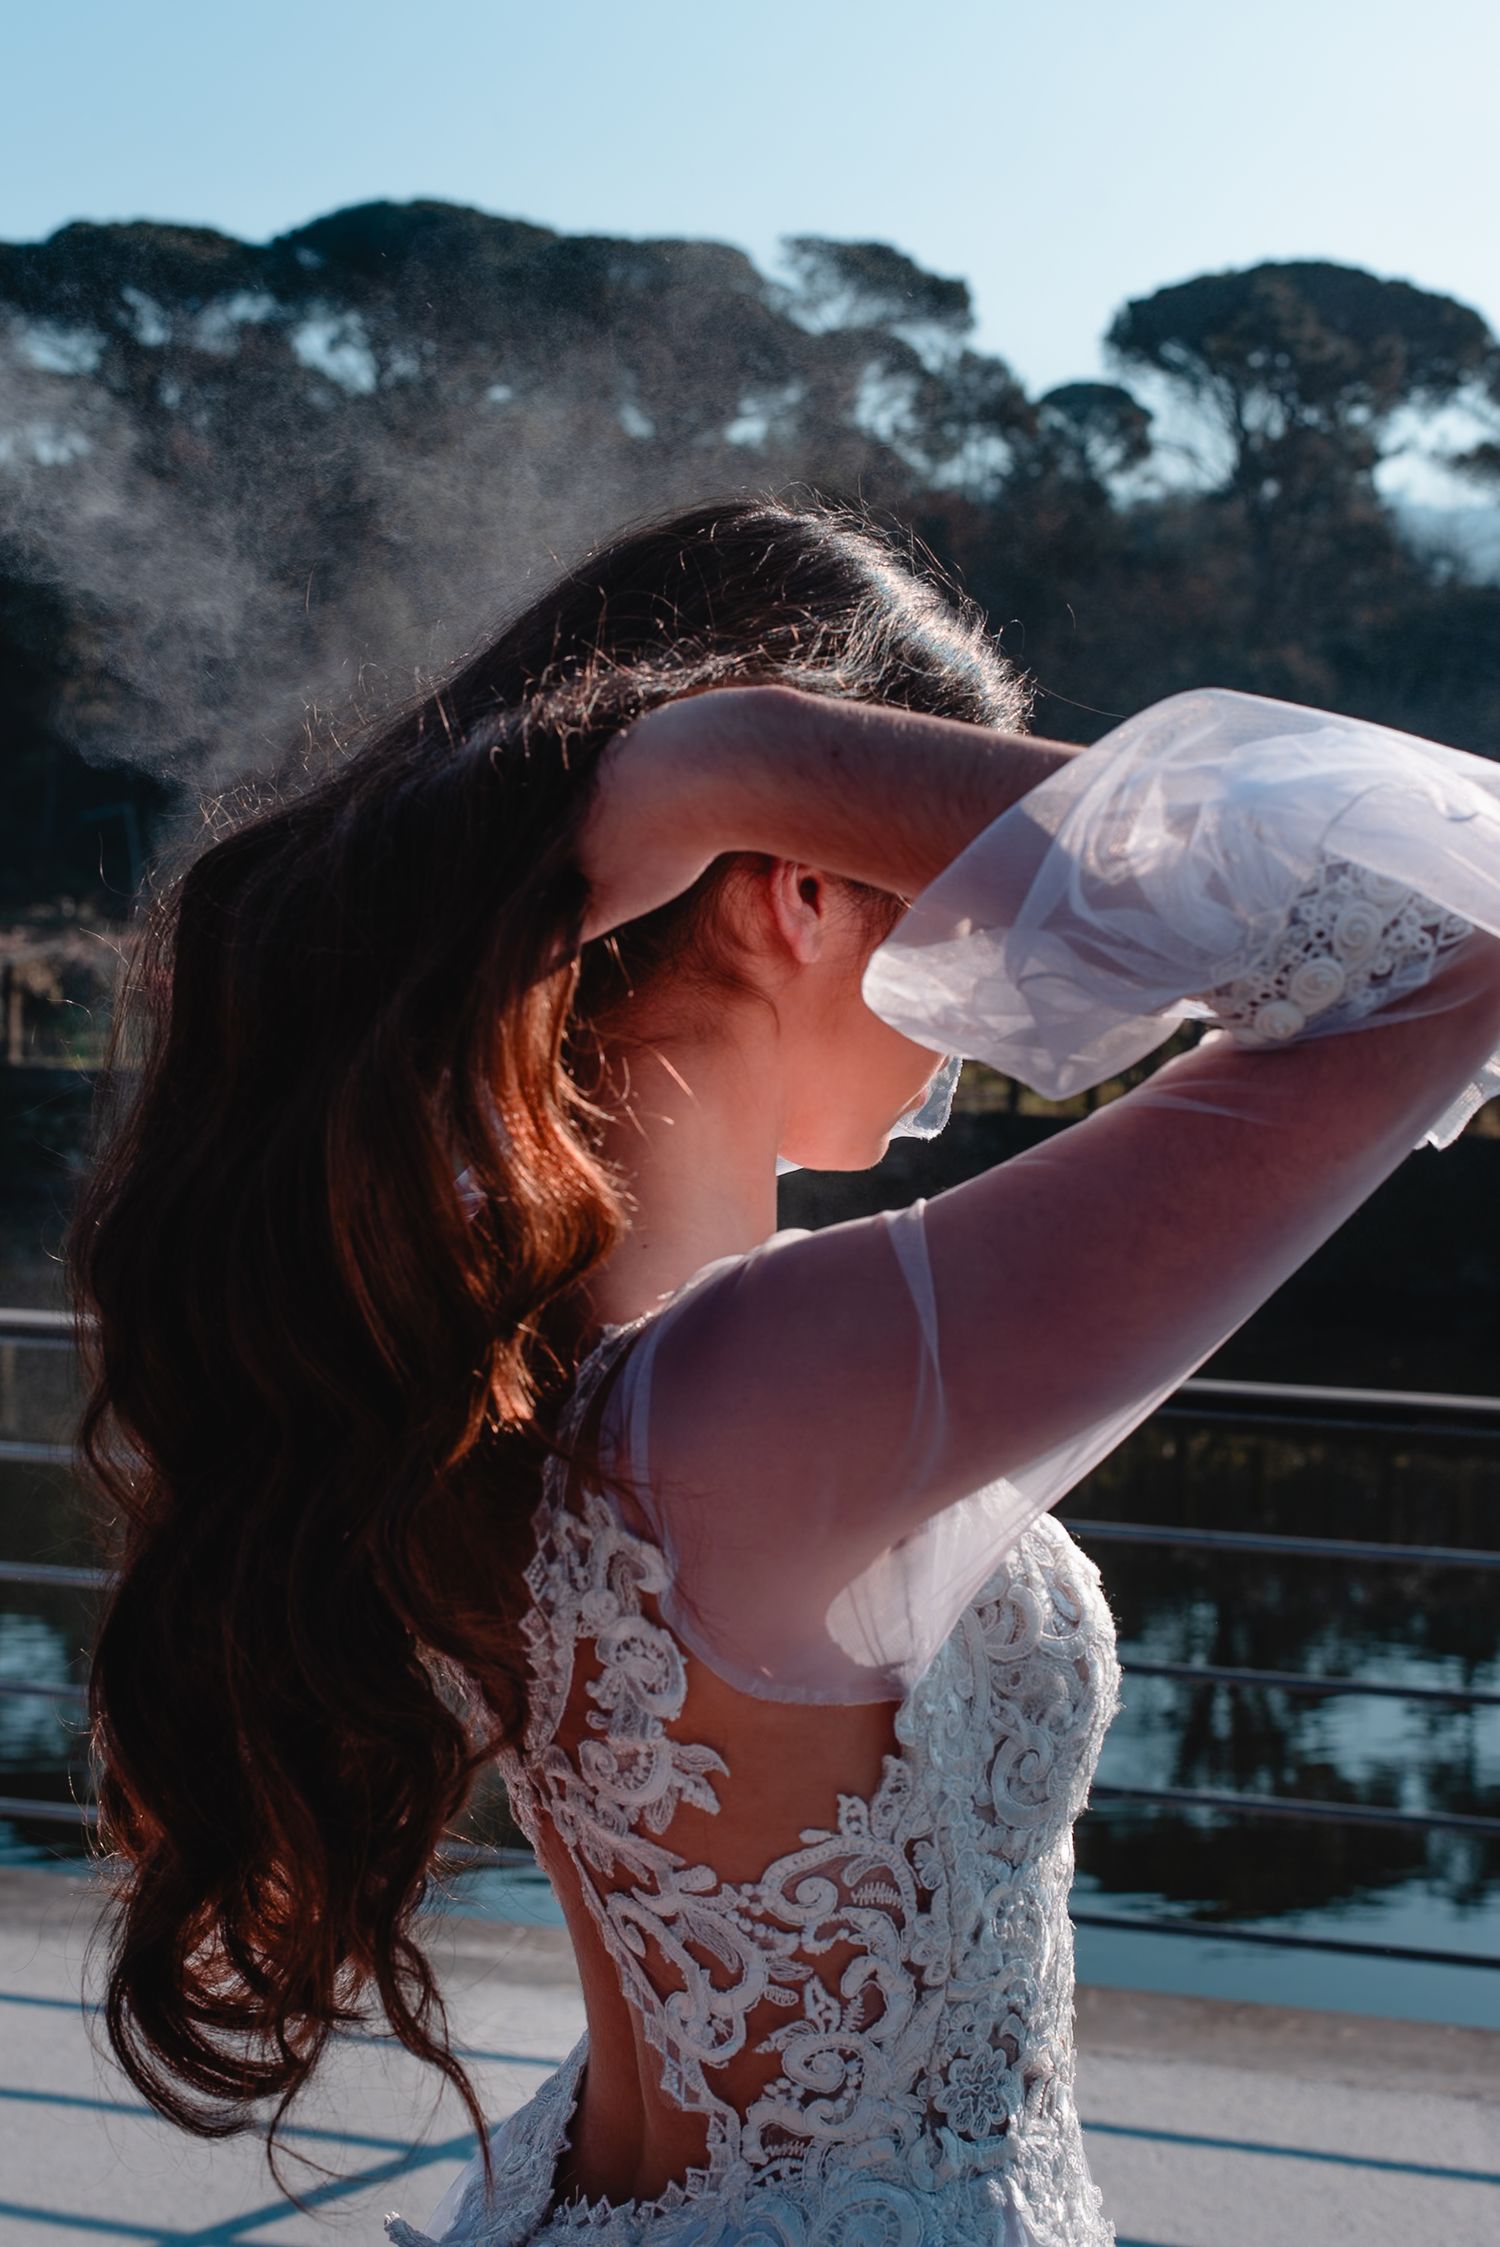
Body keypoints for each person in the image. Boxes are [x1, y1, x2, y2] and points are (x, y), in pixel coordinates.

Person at [72, 495, 1500, 2247]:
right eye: (973, 905)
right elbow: (1450, 940)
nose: (1008, 983)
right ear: (799, 883)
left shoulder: (521, 1361)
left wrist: (694, 785)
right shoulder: (751, 1387)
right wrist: (729, 757)